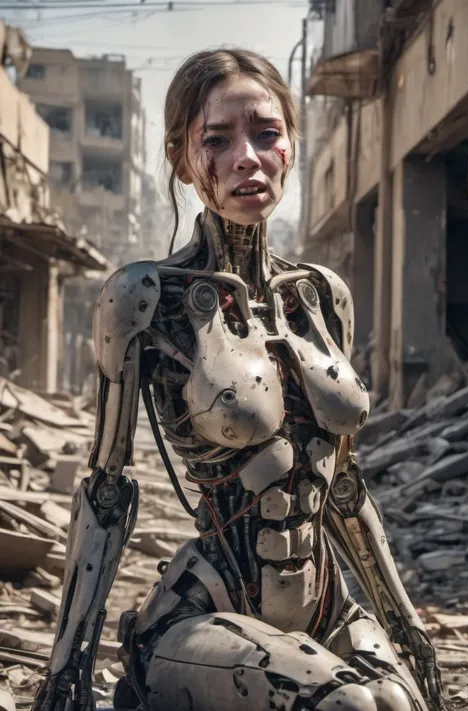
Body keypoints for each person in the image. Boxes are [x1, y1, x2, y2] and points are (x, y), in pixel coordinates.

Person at [33, 49, 444, 711]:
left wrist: (406, 625)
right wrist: (65, 673)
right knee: (349, 706)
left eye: (266, 133)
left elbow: (343, 484)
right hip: (204, 609)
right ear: (183, 161)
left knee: (399, 702)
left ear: (291, 147)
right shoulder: (146, 296)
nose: (246, 157)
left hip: (325, 604)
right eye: (216, 140)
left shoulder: (321, 296)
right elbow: (107, 493)